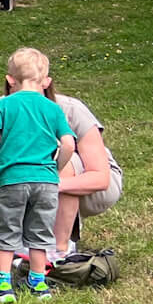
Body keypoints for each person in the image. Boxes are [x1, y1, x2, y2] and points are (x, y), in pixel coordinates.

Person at [0, 48, 75, 302]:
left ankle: (4, 284)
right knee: (40, 233)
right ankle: (38, 284)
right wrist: (57, 169)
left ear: (10, 80)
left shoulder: (3, 104)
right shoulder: (52, 108)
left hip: (12, 180)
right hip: (45, 181)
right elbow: (69, 144)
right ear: (47, 81)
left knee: (7, 231)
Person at [45, 79, 124, 262]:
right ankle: (27, 239)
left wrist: (49, 185)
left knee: (63, 158)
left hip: (96, 184)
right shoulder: (7, 106)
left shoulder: (70, 110)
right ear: (11, 83)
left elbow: (100, 178)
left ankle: (60, 250)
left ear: (45, 83)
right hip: (43, 180)